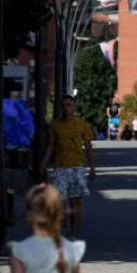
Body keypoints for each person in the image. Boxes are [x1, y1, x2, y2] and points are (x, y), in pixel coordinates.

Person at [40, 95, 96, 240]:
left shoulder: (83, 124)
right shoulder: (56, 125)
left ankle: (74, 234)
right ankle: (63, 229)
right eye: (64, 105)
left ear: (74, 106)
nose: (66, 108)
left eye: (69, 105)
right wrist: (44, 162)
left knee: (75, 204)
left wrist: (92, 167)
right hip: (60, 169)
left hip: (77, 168)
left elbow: (88, 146)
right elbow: (51, 145)